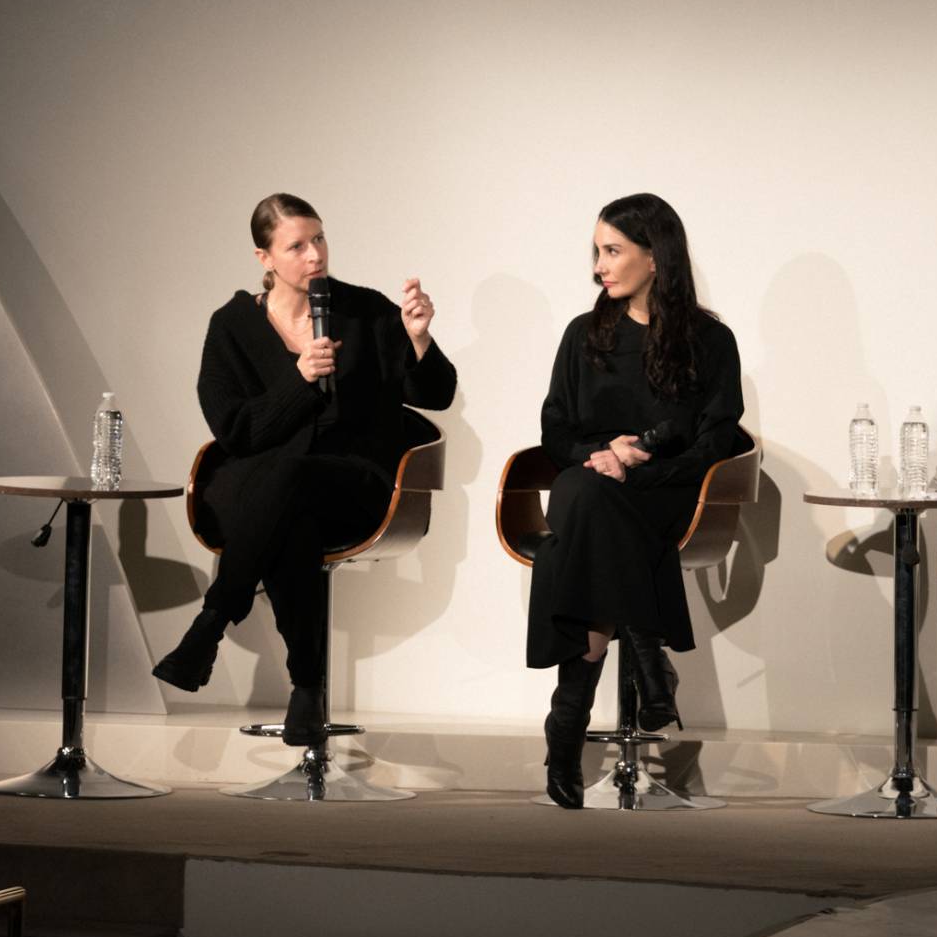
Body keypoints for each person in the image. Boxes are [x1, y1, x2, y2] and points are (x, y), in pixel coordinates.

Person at [153, 192, 456, 742]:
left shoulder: (364, 310)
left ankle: (212, 623)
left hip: (355, 482)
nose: (315, 255)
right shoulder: (231, 326)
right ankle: (307, 688)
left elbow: (435, 394)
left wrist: (418, 337)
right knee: (291, 509)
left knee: (292, 485)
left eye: (319, 239)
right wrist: (298, 380)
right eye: (296, 245)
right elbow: (236, 430)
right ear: (264, 257)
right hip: (262, 483)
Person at [530, 192, 744, 808]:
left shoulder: (710, 340)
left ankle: (566, 722)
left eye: (613, 250)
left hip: (667, 497)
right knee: (585, 491)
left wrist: (634, 472)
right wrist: (605, 456)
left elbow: (714, 443)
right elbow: (556, 433)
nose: (599, 264)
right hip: (595, 492)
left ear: (655, 258)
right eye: (596, 250)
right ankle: (648, 650)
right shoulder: (584, 335)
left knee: (581, 526)